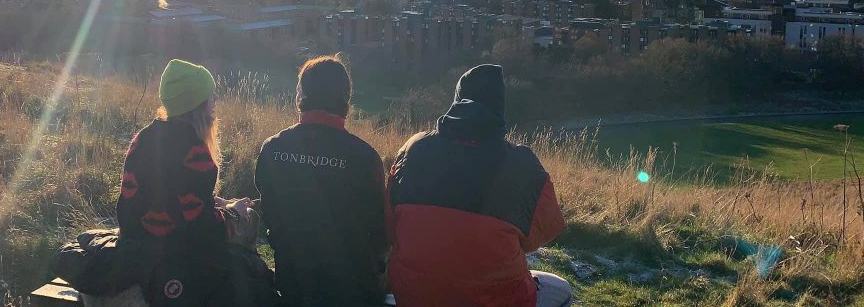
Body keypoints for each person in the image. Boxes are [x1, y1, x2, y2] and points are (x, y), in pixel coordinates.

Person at [386, 64, 571, 307]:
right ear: (499, 108)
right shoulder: (523, 165)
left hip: (415, 295)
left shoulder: (414, 148)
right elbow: (540, 236)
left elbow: (389, 223)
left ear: (456, 101)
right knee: (562, 291)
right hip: (499, 299)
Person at [114, 58, 275, 307]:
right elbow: (202, 230)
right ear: (198, 106)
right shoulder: (195, 152)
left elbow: (169, 197)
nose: (215, 102)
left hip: (133, 242)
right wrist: (233, 213)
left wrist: (217, 203)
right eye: (211, 97)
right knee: (250, 219)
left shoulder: (143, 138)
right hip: (173, 254)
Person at [255, 55, 387, 306]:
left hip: (292, 282)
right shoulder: (364, 157)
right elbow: (380, 232)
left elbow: (269, 214)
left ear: (300, 96)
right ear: (346, 99)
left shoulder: (273, 149)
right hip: (353, 289)